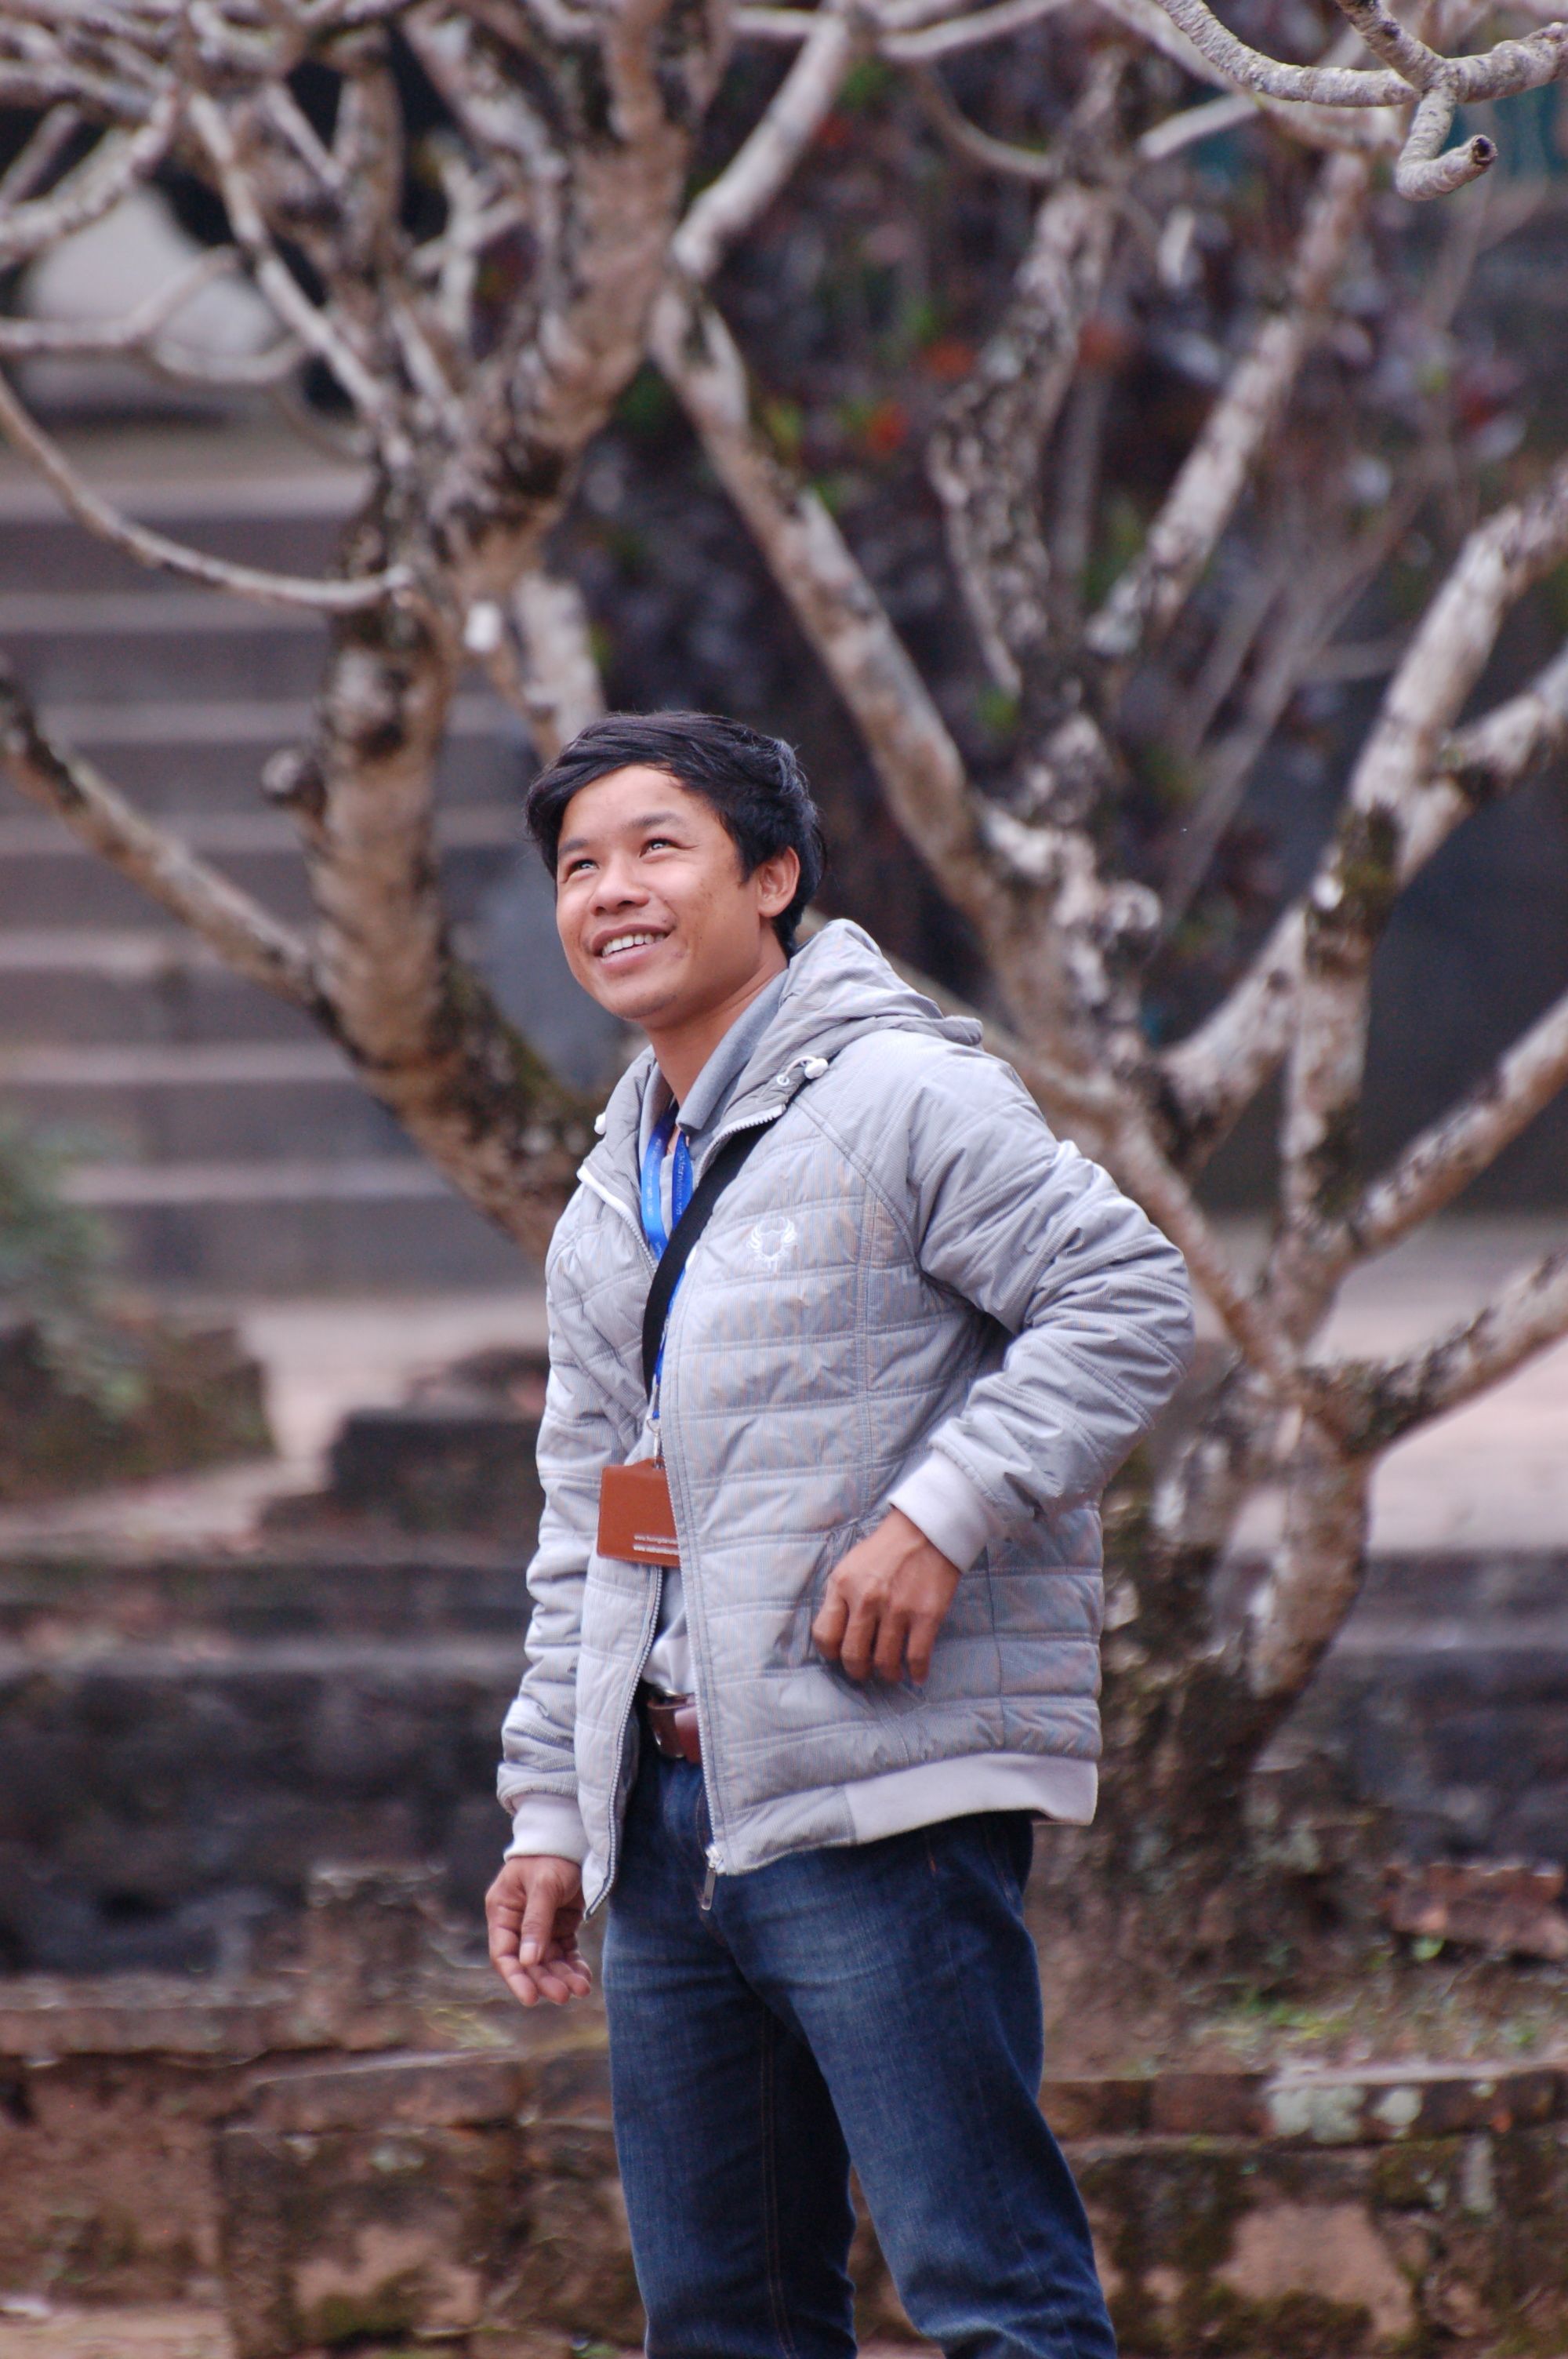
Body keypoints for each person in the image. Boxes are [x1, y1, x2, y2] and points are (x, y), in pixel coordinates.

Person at [487, 711, 1194, 2359]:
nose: (611, 891)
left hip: (878, 1801)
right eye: (579, 866)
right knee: (720, 2320)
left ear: (774, 877)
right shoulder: (614, 1190)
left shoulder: (901, 1095)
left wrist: (936, 1516)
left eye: (657, 847)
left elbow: (1126, 1295)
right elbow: (590, 1518)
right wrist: (552, 1806)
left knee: (992, 2296)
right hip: (667, 1818)